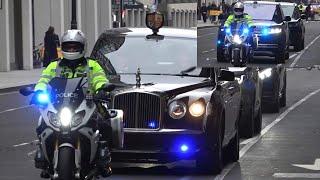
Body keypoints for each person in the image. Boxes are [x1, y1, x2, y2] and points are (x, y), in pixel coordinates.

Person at [33, 29, 112, 178]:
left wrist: (102, 89)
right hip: (59, 105)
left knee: (104, 123)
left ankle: (103, 160)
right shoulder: (54, 66)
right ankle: (44, 158)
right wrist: (38, 91)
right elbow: (44, 80)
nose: (71, 50)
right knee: (41, 124)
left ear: (82, 47)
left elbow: (100, 79)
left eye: (74, 47)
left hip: (85, 104)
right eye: (68, 47)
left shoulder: (92, 65)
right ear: (62, 47)